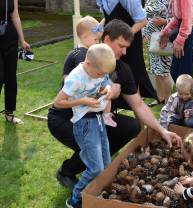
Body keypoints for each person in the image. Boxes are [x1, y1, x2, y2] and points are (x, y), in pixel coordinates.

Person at [47, 19, 181, 190]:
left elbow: (138, 105)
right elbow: (70, 89)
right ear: (107, 39)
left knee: (131, 127)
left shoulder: (123, 69)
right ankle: (67, 171)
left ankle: (97, 162)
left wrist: (162, 130)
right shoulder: (85, 57)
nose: (124, 52)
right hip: (64, 119)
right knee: (93, 144)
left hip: (95, 118)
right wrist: (110, 88)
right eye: (121, 46)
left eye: (127, 47)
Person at [53, 44, 116, 208]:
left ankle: (95, 193)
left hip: (99, 120)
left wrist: (108, 88)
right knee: (95, 168)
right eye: (99, 73)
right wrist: (83, 101)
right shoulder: (76, 78)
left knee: (106, 165)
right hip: (85, 124)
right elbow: (58, 102)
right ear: (88, 64)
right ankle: (75, 199)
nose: (101, 76)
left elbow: (107, 80)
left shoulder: (99, 68)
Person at [96, 0, 158, 101]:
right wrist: (99, 28)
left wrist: (125, 38)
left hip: (131, 43)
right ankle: (109, 111)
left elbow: (142, 21)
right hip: (113, 41)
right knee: (111, 74)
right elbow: (109, 16)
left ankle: (137, 109)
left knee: (133, 76)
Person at [0, 0, 30, 124]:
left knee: (11, 78)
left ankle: (9, 113)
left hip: (11, 39)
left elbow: (15, 15)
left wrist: (22, 40)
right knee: (0, 77)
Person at [159, 0, 193, 82]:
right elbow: (177, 18)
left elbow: (188, 17)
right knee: (175, 72)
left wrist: (180, 39)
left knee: (184, 75)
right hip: (185, 28)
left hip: (190, 30)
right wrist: (166, 32)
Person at [143, 0, 172, 105]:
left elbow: (178, 19)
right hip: (152, 38)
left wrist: (164, 21)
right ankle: (160, 97)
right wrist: (144, 34)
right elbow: (148, 19)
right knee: (156, 70)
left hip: (163, 38)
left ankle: (168, 102)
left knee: (164, 71)